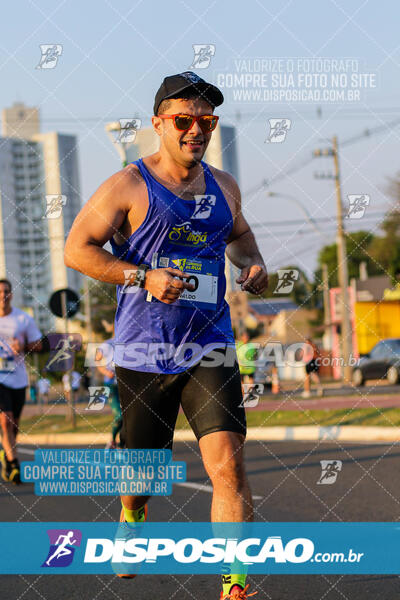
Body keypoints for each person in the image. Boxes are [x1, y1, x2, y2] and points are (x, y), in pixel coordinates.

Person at [65, 71, 268, 599]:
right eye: (183, 120)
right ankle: (133, 516)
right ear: (159, 123)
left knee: (228, 465)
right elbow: (77, 249)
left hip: (210, 346)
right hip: (144, 352)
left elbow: (240, 236)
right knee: (140, 478)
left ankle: (235, 584)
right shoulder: (128, 185)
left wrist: (254, 263)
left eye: (206, 120)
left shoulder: (224, 186)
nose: (196, 130)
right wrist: (141, 275)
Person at [0, 279, 45, 484]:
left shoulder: (23, 319)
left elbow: (40, 344)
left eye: (6, 291)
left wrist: (23, 346)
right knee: (5, 419)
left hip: (18, 378)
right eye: (0, 292)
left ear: (12, 294)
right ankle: (13, 464)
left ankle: (7, 453)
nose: (3, 295)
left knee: (14, 424)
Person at [95, 338, 124, 449]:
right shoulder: (108, 343)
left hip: (125, 385)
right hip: (111, 385)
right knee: (119, 416)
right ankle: (112, 441)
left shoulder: (130, 341)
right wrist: (105, 371)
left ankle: (122, 443)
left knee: (128, 415)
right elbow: (97, 359)